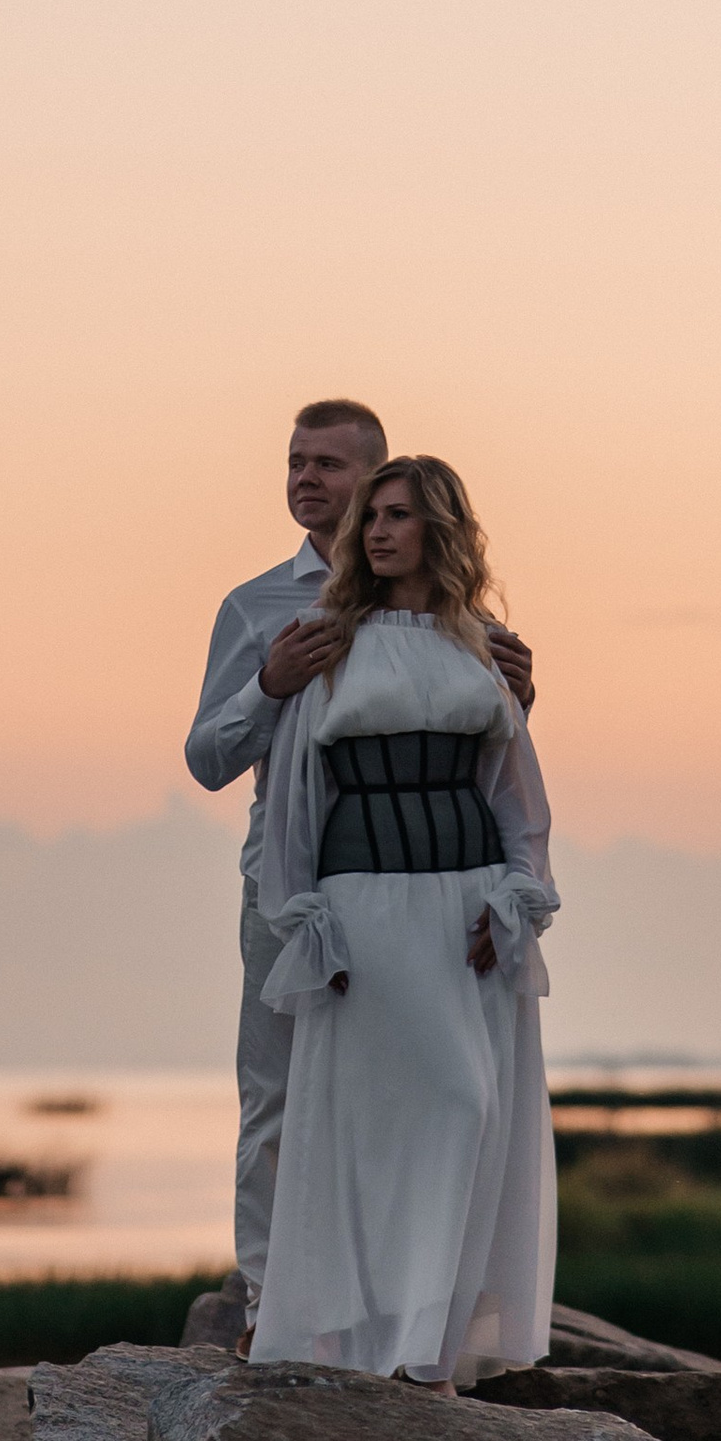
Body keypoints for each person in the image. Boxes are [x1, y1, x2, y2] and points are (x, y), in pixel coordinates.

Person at [185, 402, 532, 1319]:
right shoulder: (257, 607)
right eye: (295, 461)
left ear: (377, 479)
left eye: (330, 465)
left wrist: (521, 698)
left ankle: (396, 1294)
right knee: (276, 1090)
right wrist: (271, 684)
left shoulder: (451, 618)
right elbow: (208, 760)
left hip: (428, 894)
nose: (307, 479)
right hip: (292, 880)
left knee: (420, 1090)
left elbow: (480, 758)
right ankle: (272, 1292)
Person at [247, 455, 557, 1386]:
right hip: (362, 915)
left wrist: (516, 903)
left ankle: (432, 1347)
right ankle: (361, 1340)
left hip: (465, 916)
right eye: (370, 516)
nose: (377, 531)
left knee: (467, 1108)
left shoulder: (483, 646)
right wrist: (307, 924)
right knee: (364, 1130)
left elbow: (517, 796)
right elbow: (297, 800)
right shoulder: (326, 644)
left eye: (398, 516)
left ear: (441, 529)